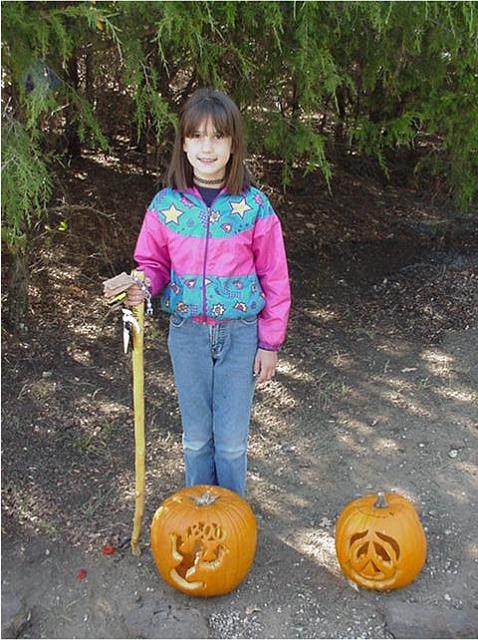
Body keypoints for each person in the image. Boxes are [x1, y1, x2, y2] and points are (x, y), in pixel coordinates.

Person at [126, 87, 290, 496]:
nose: (207, 146)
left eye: (217, 136)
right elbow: (153, 264)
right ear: (183, 143)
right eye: (197, 136)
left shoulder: (254, 208)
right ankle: (198, 513)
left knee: (231, 443)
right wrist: (141, 288)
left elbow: (275, 276)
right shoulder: (166, 207)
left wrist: (269, 342)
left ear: (233, 145)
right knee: (197, 438)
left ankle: (231, 520)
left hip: (240, 336)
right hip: (188, 336)